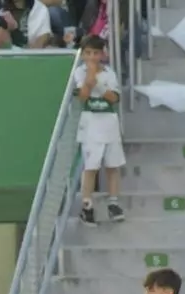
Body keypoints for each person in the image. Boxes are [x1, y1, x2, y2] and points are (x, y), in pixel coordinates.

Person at [75, 34, 125, 226]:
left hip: (110, 123)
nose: (92, 57)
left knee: (113, 165)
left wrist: (99, 84)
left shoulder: (109, 74)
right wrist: (90, 78)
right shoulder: (79, 73)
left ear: (102, 54)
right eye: (88, 53)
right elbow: (83, 96)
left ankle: (113, 202)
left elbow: (114, 98)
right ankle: (87, 205)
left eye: (96, 53)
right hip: (90, 124)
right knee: (91, 166)